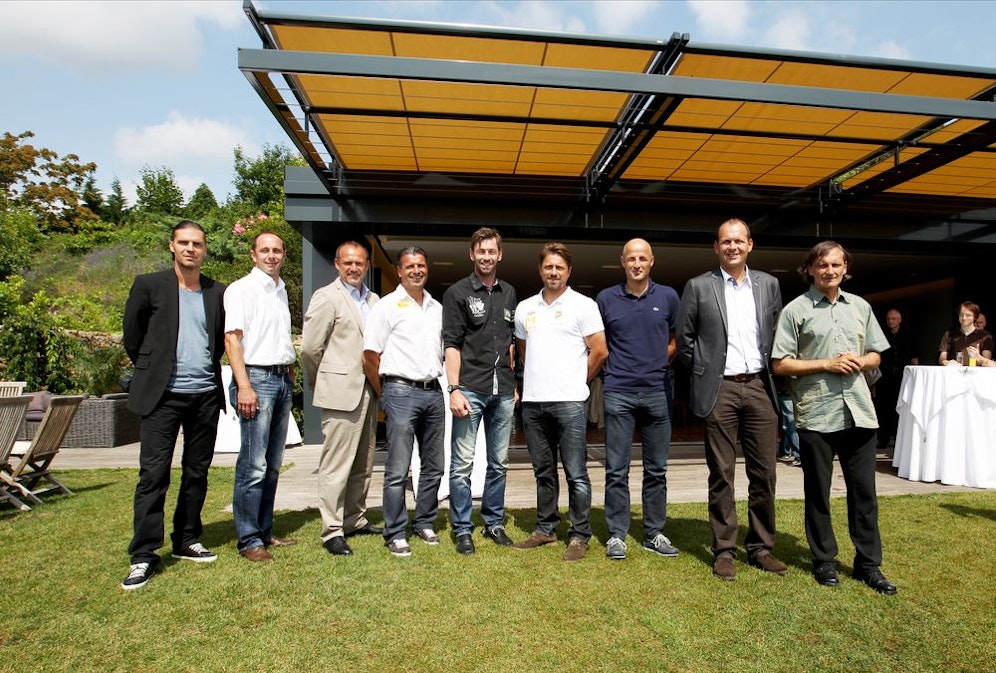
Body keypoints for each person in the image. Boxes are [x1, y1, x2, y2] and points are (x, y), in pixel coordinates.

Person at [771, 240, 897, 595]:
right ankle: (824, 560)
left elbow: (876, 354)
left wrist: (862, 360)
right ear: (810, 269)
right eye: (822, 265)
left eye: (836, 265)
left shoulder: (860, 306)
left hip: (859, 412)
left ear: (845, 269)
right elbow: (780, 364)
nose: (830, 271)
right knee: (818, 493)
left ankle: (868, 565)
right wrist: (826, 363)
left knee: (865, 493)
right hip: (817, 413)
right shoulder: (795, 310)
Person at [676, 218, 787, 581]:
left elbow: (776, 333)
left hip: (759, 387)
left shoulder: (769, 285)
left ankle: (761, 547)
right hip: (719, 388)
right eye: (726, 241)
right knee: (722, 473)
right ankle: (724, 549)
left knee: (764, 473)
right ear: (716, 247)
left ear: (750, 245)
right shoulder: (698, 286)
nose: (732, 247)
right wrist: (706, 371)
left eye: (739, 241)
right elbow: (685, 340)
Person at [121, 221, 227, 590]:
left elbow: (219, 341)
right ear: (172, 246)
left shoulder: (217, 292)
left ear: (205, 249)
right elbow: (132, 337)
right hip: (162, 397)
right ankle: (144, 554)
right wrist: (154, 370)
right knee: (154, 475)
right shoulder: (149, 285)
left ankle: (186, 539)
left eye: (197, 243)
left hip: (205, 394)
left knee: (197, 472)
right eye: (184, 242)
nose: (190, 249)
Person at [512, 242, 607, 562]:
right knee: (543, 471)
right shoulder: (525, 308)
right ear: (540, 270)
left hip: (570, 402)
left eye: (559, 268)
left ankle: (579, 534)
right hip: (534, 403)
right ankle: (545, 528)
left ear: (569, 272)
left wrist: (578, 380)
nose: (553, 272)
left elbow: (600, 350)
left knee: (576, 473)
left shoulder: (583, 305)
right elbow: (523, 350)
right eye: (548, 267)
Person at [596, 238, 681, 561]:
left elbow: (676, 339)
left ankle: (653, 533)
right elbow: (598, 342)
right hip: (618, 392)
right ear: (622, 261)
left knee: (656, 470)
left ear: (651, 261)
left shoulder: (668, 296)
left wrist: (658, 361)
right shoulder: (606, 299)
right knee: (616, 470)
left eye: (642, 258)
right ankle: (617, 535)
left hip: (658, 392)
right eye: (631, 258)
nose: (636, 264)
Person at [363, 246, 445, 557]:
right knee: (398, 468)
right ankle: (395, 531)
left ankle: (424, 521)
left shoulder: (437, 308)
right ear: (399, 271)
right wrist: (384, 393)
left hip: (433, 391)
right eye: (409, 266)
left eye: (421, 265)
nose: (416, 271)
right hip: (400, 391)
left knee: (434, 466)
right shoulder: (386, 306)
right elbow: (370, 356)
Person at [301, 241, 381, 557]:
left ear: (367, 265)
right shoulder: (326, 297)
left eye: (359, 263)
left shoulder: (373, 300)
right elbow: (310, 349)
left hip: (368, 391)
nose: (353, 268)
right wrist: (321, 380)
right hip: (339, 392)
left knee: (363, 461)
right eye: (347, 262)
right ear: (337, 264)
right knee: (336, 465)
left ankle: (354, 519)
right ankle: (332, 530)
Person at [442, 228, 518, 555]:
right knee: (462, 464)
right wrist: (454, 389)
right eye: (481, 251)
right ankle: (462, 528)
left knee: (498, 463)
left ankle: (493, 522)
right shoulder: (457, 293)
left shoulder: (509, 292)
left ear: (500, 255)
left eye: (491, 251)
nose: (486, 256)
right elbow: (451, 344)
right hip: (470, 389)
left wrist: (513, 384)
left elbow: (510, 343)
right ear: (472, 254)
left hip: (503, 391)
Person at [225, 232, 298, 562]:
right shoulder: (242, 289)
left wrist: (289, 369)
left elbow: (278, 336)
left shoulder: (280, 290)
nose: (271, 255)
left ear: (284, 254)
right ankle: (249, 539)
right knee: (253, 464)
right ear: (253, 255)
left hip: (281, 379)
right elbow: (232, 339)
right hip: (256, 378)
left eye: (277, 250)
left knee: (272, 464)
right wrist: (244, 385)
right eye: (265, 250)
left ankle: (264, 530)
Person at [875, 309, 918, 449]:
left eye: (893, 319)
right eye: (888, 319)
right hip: (885, 376)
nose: (890, 321)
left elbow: (914, 357)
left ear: (899, 320)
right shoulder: (882, 334)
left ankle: (900, 439)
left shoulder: (908, 334)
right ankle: (883, 439)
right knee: (883, 408)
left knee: (901, 406)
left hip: (903, 376)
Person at [938, 301, 993, 365]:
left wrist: (979, 357)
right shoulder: (949, 334)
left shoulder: (984, 335)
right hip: (955, 370)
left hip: (976, 370)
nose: (964, 318)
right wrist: (947, 362)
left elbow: (987, 361)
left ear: (975, 317)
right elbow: (942, 358)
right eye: (961, 315)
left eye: (968, 315)